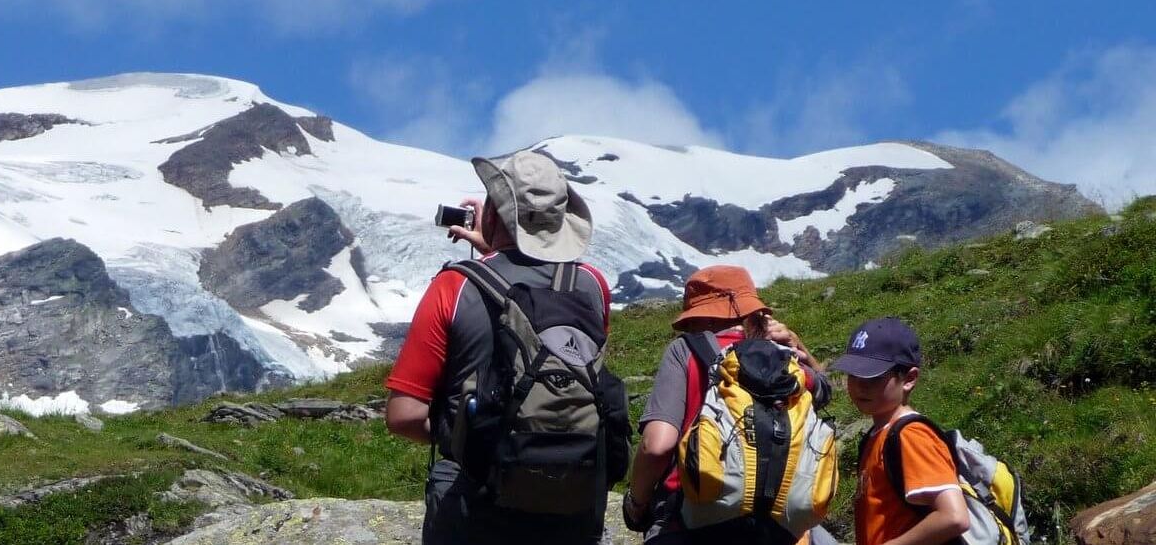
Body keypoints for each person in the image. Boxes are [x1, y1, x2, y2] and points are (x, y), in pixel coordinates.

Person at [383, 151, 628, 544]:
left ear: (494, 214)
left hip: (475, 506)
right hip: (573, 500)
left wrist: (474, 436)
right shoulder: (592, 286)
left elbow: (404, 416)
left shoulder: (455, 286)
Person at [622, 265, 831, 544]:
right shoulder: (782, 355)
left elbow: (657, 445)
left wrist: (636, 504)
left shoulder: (684, 350)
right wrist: (797, 345)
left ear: (698, 316)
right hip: (775, 522)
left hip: (691, 518)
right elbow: (824, 390)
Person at [832, 318, 971, 545]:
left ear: (909, 379)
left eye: (873, 377)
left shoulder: (912, 435)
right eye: (853, 375)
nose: (859, 385)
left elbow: (954, 517)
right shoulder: (877, 435)